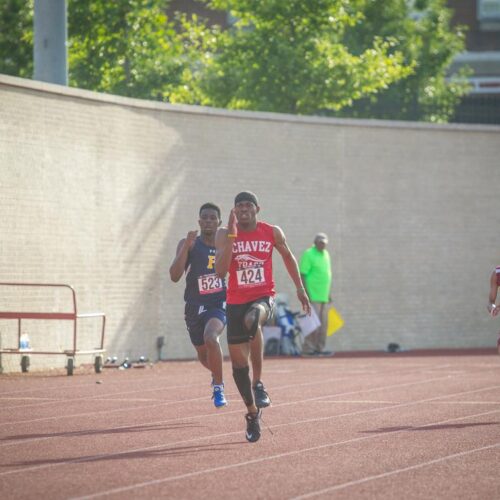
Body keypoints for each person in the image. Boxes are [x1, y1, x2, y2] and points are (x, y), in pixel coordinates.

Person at [215, 191, 310, 442]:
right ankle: (251, 412)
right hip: (235, 301)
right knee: (237, 367)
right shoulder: (224, 233)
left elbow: (288, 257)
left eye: (248, 205)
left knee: (253, 318)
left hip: (263, 297)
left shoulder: (272, 232)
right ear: (234, 210)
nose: (244, 209)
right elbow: (220, 272)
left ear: (258, 209)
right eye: (239, 206)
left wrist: (300, 289)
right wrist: (233, 236)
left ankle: (258, 382)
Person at [169, 202, 228, 408]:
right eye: (205, 217)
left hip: (218, 303)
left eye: (213, 217)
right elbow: (174, 276)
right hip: (194, 306)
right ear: (199, 221)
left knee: (211, 338)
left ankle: (219, 388)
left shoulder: (225, 244)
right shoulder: (189, 243)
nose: (209, 221)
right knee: (203, 355)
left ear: (219, 222)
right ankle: (215, 374)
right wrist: (186, 247)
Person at [299, 232, 333, 356]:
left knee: (323, 325)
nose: (322, 245)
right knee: (312, 324)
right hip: (312, 295)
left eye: (324, 243)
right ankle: (308, 349)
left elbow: (325, 275)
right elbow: (302, 273)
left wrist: (328, 293)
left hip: (324, 296)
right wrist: (305, 292)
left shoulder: (326, 254)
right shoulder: (309, 254)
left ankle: (320, 348)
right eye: (320, 242)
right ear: (315, 242)